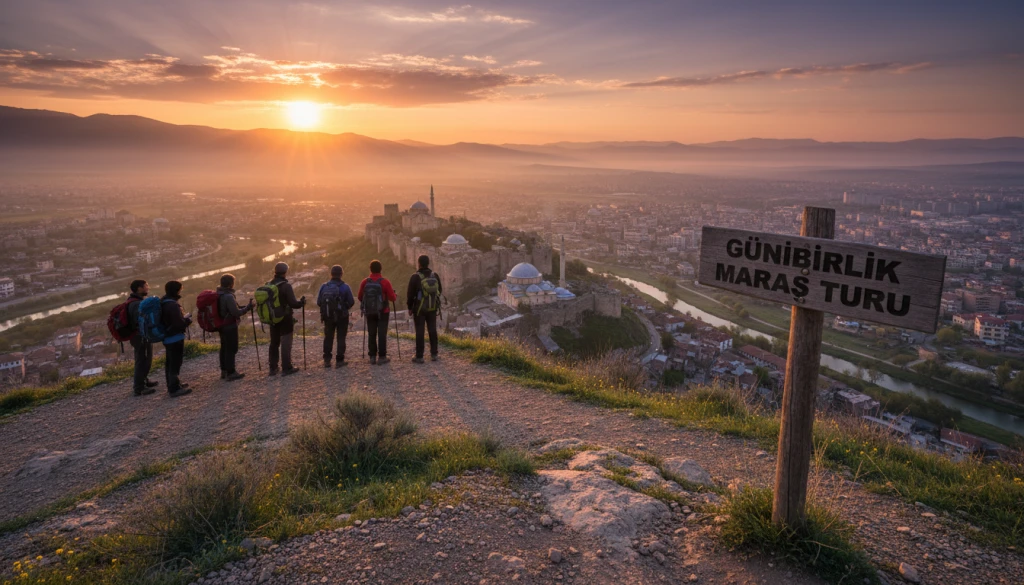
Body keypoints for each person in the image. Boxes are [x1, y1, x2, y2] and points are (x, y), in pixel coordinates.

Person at [267, 262, 306, 376]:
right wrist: (301, 303)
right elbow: (293, 303)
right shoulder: (286, 286)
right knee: (286, 342)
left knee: (274, 342)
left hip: (273, 318)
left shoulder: (269, 285)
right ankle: (286, 367)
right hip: (285, 318)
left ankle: (273, 368)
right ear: (285, 272)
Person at [357, 259, 397, 365]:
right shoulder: (385, 282)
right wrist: (394, 295)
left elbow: (360, 297)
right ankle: (382, 356)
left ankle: (372, 357)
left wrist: (369, 304)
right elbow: (392, 298)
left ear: (370, 269)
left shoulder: (365, 282)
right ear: (381, 269)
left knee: (372, 333)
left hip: (370, 311)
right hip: (383, 311)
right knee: (382, 333)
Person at [217, 273, 255, 381]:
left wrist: (245, 307)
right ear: (230, 284)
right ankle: (231, 372)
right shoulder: (228, 296)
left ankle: (224, 371)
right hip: (229, 325)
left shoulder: (218, 294)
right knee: (231, 348)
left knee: (224, 347)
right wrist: (248, 308)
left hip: (221, 325)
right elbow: (236, 312)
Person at [317, 265, 355, 368]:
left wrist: (328, 309)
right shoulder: (345, 287)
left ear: (331, 274)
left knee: (328, 337)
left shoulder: (324, 286)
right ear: (341, 274)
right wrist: (343, 308)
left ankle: (327, 360)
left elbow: (319, 302)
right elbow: (351, 302)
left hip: (328, 317)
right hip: (342, 316)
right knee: (341, 337)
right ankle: (339, 360)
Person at [406, 255, 442, 364]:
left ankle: (419, 356)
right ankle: (434, 354)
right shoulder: (434, 275)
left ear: (419, 264)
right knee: (432, 329)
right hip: (432, 307)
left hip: (419, 308)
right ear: (428, 263)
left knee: (420, 331)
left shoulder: (415, 277)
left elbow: (410, 294)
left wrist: (410, 307)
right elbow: (439, 290)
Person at [160, 280, 193, 397]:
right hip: (175, 337)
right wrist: (187, 320)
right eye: (180, 289)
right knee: (175, 363)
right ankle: (174, 389)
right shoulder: (172, 305)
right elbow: (178, 324)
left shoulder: (163, 302)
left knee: (170, 362)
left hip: (167, 337)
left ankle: (173, 384)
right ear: (176, 290)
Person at [127, 279, 158, 396]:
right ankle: (139, 387)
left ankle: (144, 381)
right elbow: (139, 321)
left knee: (146, 358)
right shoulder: (136, 304)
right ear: (139, 288)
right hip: (139, 336)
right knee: (141, 360)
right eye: (146, 286)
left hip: (142, 335)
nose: (148, 288)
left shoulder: (136, 301)